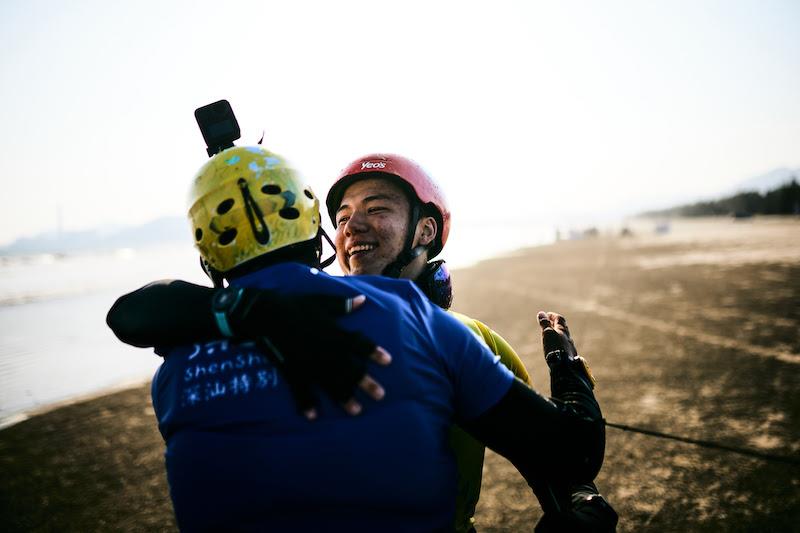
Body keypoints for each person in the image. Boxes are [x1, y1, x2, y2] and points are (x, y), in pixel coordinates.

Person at [107, 153, 616, 531]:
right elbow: (567, 458)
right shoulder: (423, 321)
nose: (353, 226)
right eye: (343, 216)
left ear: (426, 230)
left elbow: (134, 313)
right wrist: (566, 364)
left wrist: (239, 309)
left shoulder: (175, 366)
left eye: (377, 209)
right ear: (318, 234)